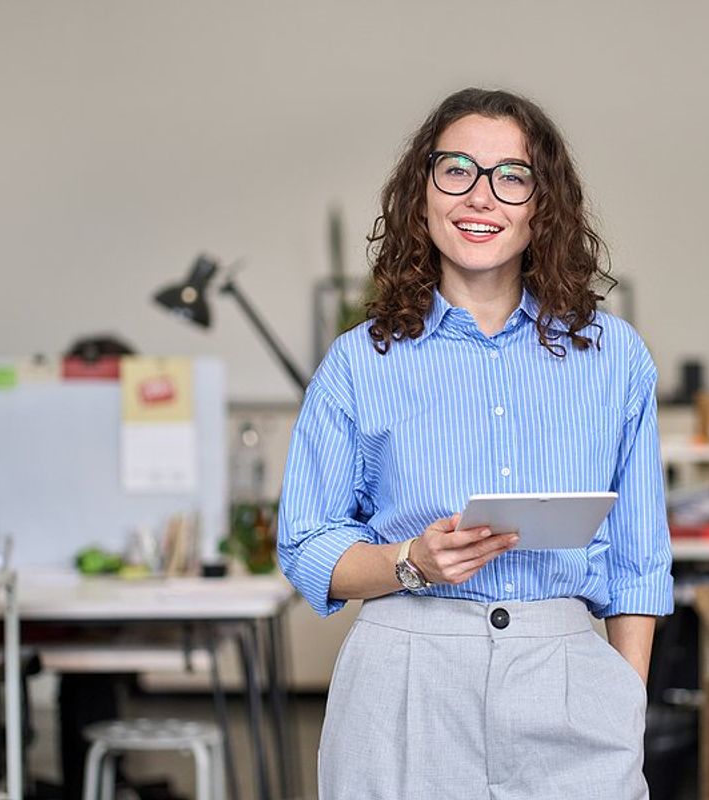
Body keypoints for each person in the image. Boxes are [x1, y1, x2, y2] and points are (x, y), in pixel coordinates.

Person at [278, 87, 673, 800]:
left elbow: (639, 561)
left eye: (511, 176)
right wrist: (410, 562)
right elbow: (305, 546)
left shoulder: (614, 357)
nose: (479, 196)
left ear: (542, 205)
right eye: (456, 169)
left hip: (568, 676)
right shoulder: (360, 361)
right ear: (422, 194)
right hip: (405, 681)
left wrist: (624, 700)